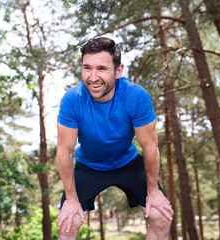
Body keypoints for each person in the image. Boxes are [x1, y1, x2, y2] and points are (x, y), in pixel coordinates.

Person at [56, 37, 173, 240]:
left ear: (118, 71)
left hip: (127, 162)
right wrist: (71, 199)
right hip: (89, 165)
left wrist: (153, 191)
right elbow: (64, 151)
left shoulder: (136, 97)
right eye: (87, 68)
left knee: (160, 216)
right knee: (68, 222)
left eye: (102, 68)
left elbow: (150, 147)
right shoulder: (73, 99)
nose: (93, 77)